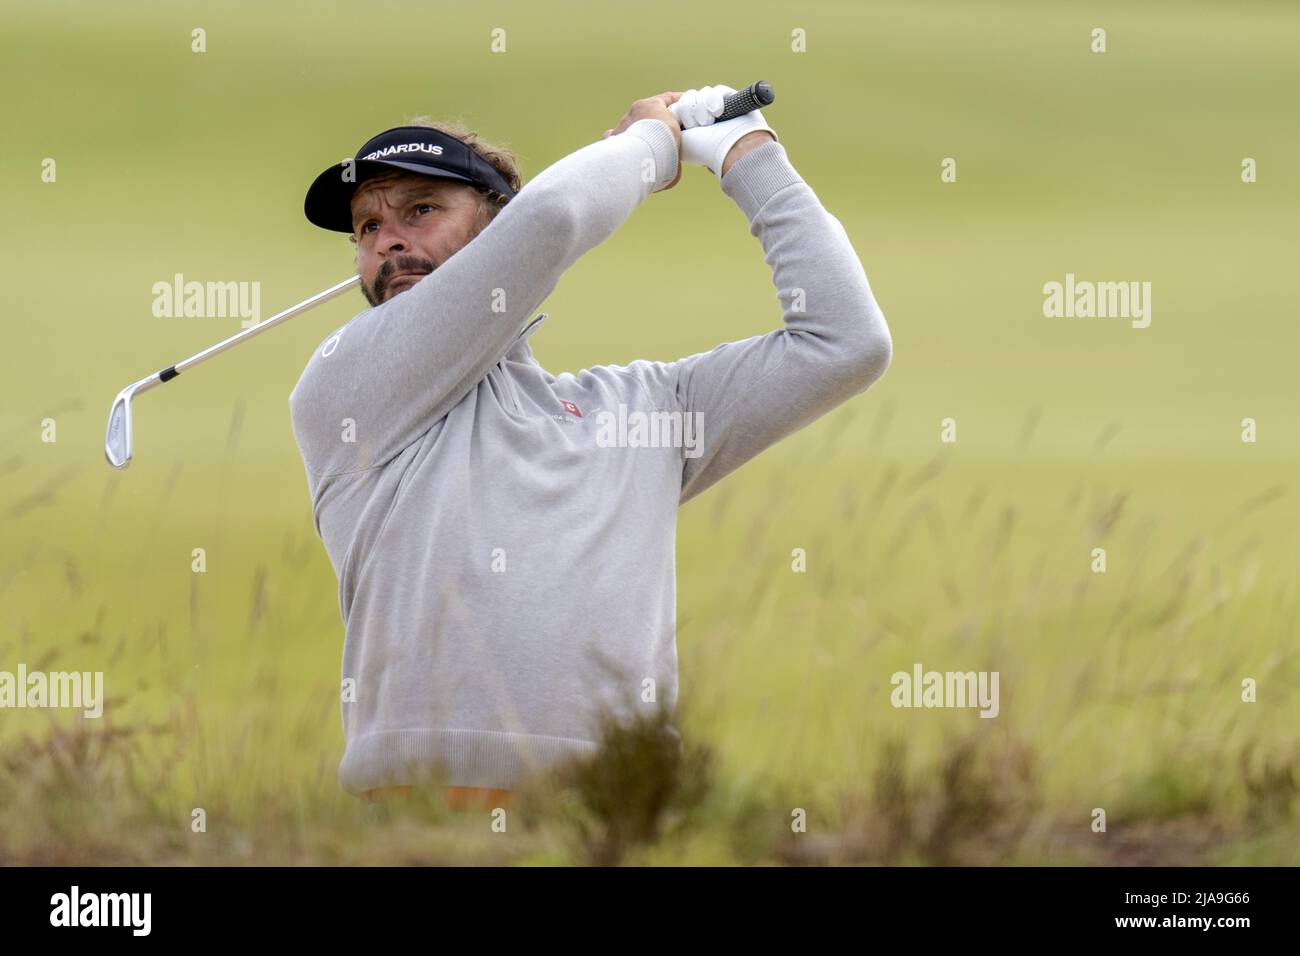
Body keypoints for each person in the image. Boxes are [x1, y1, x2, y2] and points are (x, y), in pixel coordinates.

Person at [289, 85, 892, 810]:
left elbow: (844, 342)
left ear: (494, 231)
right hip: (422, 816)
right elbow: (554, 217)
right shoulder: (347, 388)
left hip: (619, 816)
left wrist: (747, 153)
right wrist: (651, 147)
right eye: (366, 226)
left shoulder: (640, 411)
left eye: (420, 210)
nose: (387, 239)